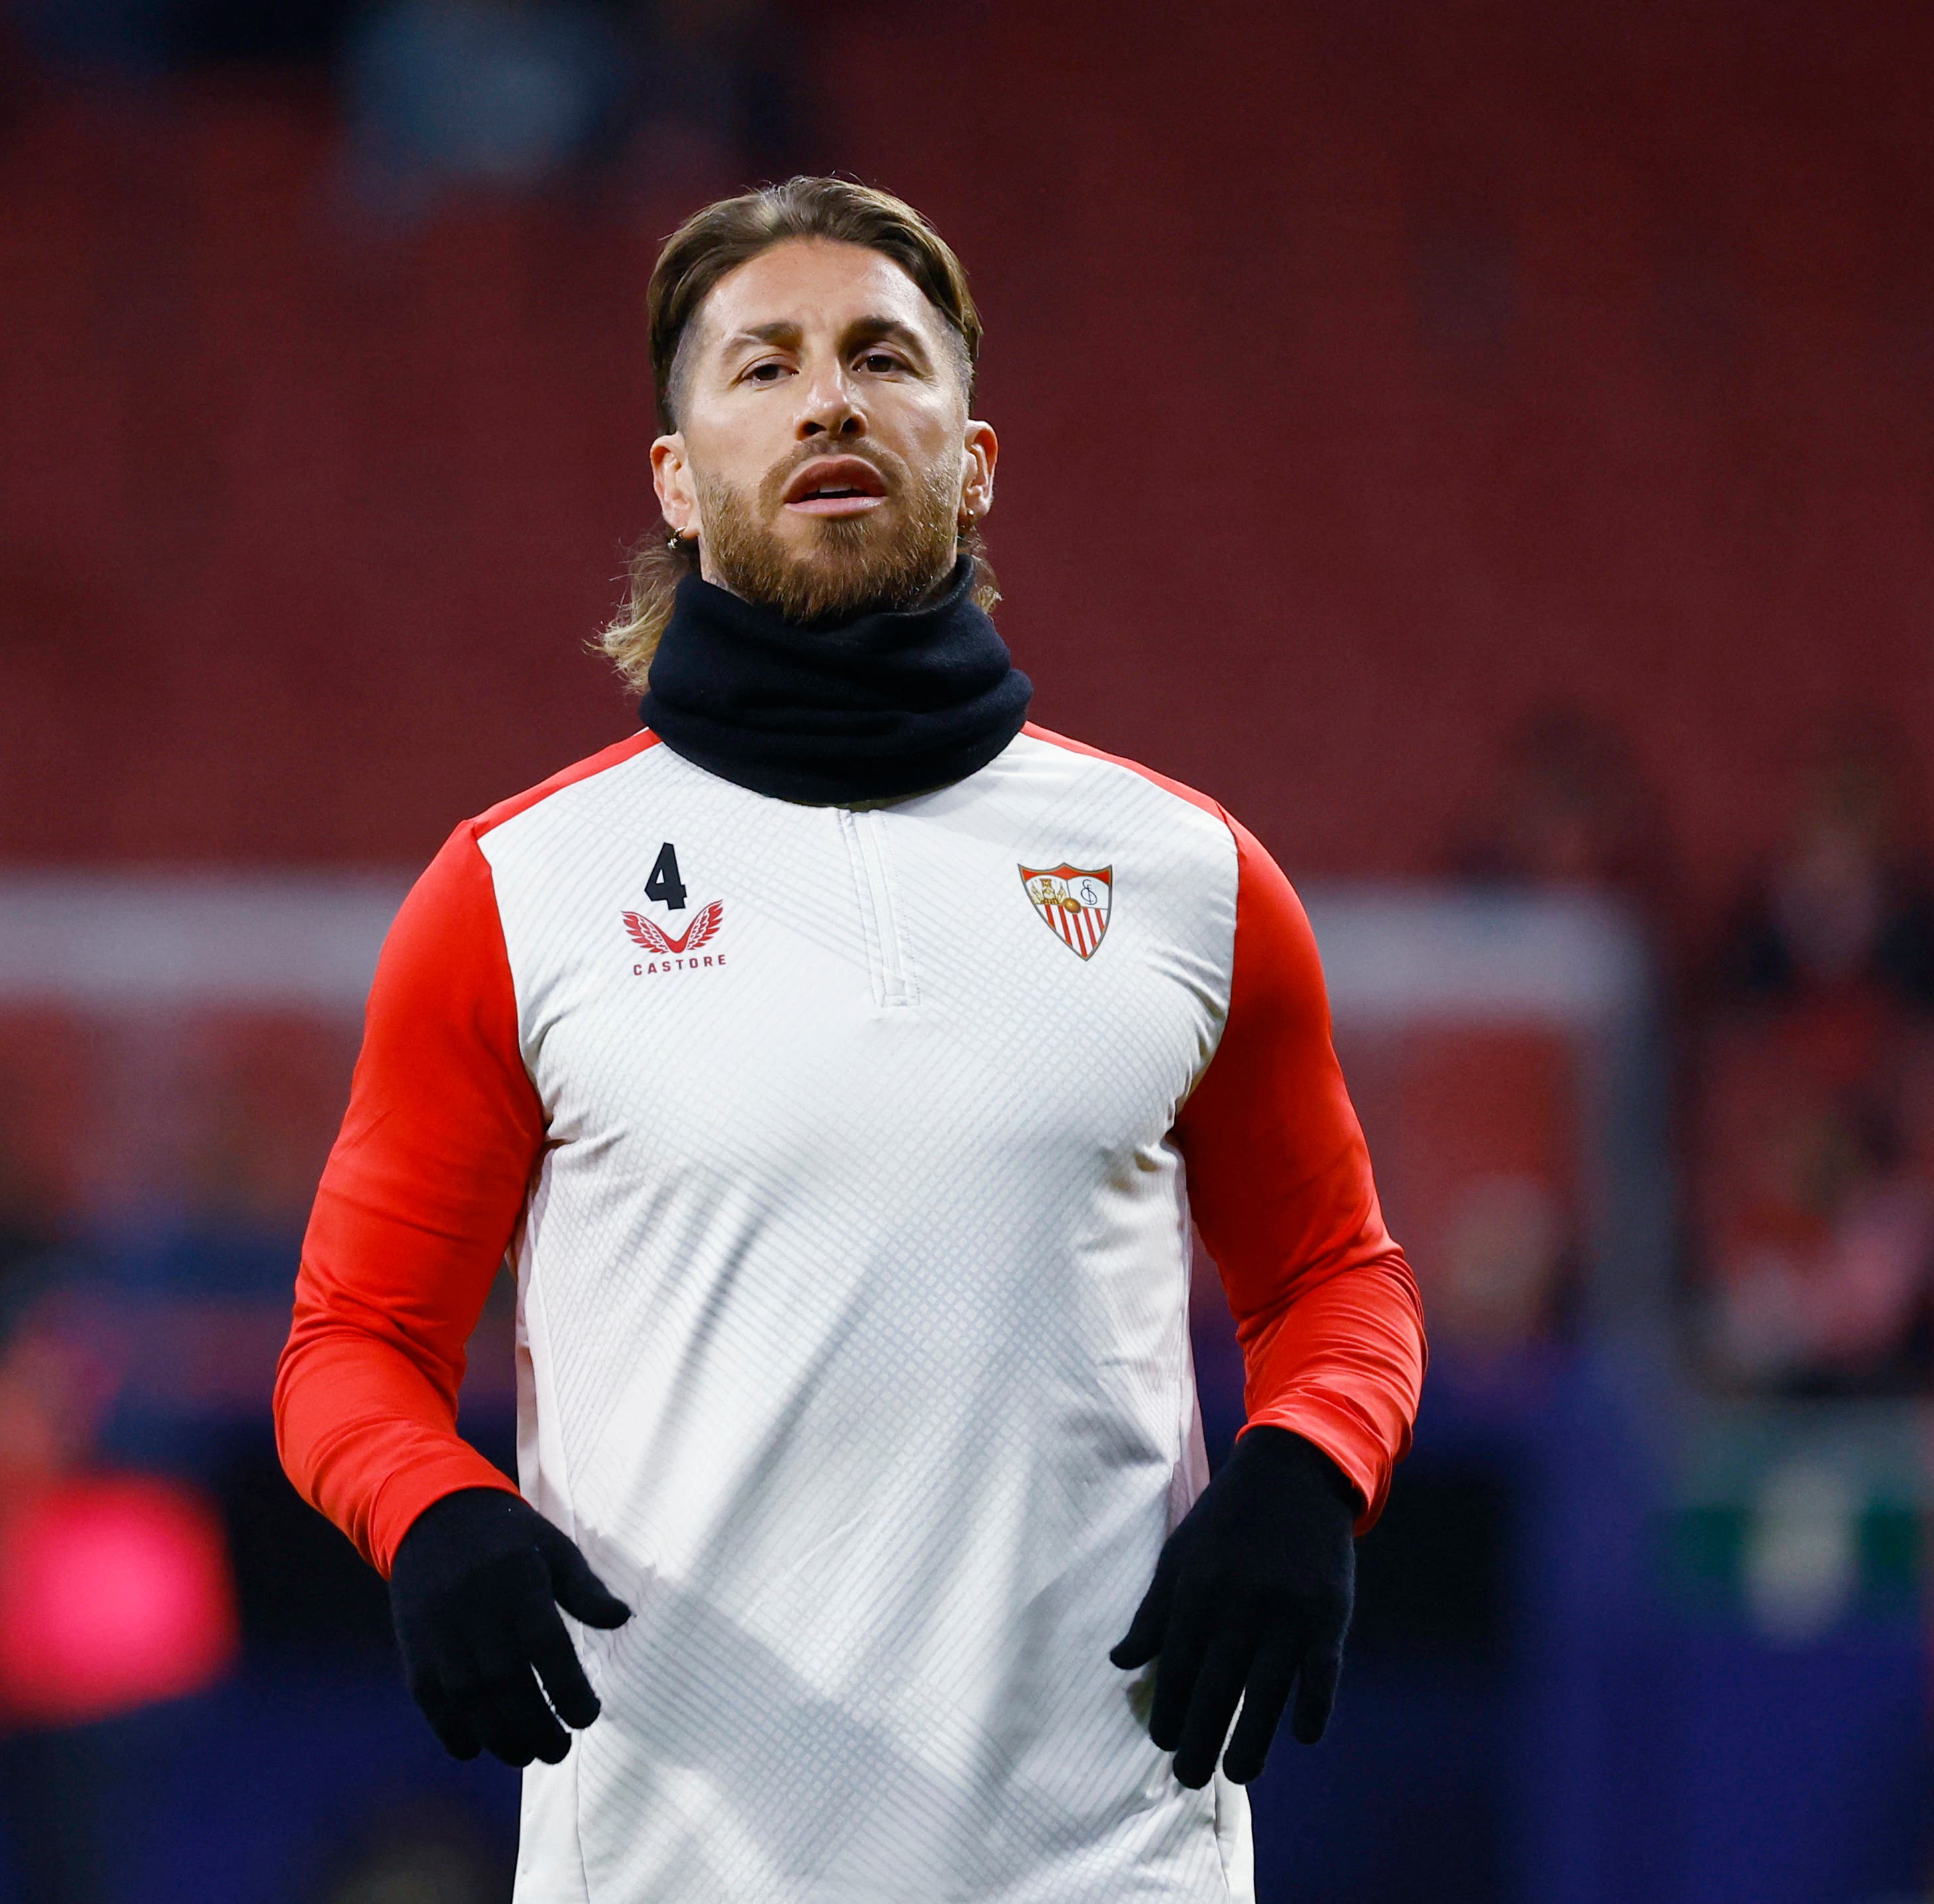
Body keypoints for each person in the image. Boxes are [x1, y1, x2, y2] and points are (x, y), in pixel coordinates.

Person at [275, 177, 1425, 1901]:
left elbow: (1338, 1275)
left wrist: (1307, 1468)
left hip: (1108, 1860)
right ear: (676, 479)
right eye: (763, 365)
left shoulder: (1190, 877)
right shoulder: (511, 894)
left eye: (882, 355)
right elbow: (350, 1340)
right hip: (671, 1861)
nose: (827, 396)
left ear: (970, 454)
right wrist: (427, 1510)